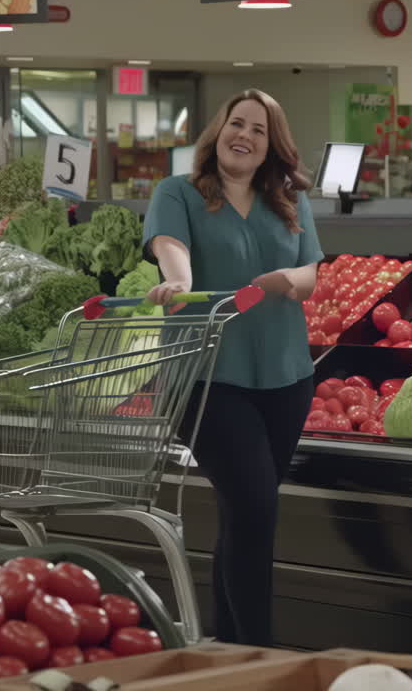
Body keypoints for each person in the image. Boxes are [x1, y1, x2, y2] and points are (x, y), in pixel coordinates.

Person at [142, 88, 321, 646]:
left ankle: (226, 649)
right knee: (256, 506)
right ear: (217, 132)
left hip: (287, 376)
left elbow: (311, 273)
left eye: (258, 130)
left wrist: (285, 284)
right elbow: (173, 247)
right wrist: (180, 282)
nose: (244, 136)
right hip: (206, 376)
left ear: (273, 145)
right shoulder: (179, 192)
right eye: (235, 124)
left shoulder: (289, 198)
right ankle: (260, 655)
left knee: (242, 512)